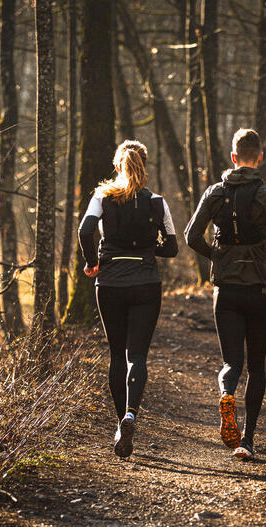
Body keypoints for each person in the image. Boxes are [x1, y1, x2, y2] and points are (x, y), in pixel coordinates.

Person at [184, 128, 266, 460]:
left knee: (231, 361)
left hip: (227, 291)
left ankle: (226, 393)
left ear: (233, 157)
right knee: (258, 366)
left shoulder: (215, 192)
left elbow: (192, 236)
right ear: (259, 157)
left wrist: (216, 256)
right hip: (260, 290)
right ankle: (247, 442)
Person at [78, 140, 178, 458]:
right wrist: (149, 250)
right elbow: (173, 247)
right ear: (144, 165)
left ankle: (121, 426)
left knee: (116, 356)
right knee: (138, 356)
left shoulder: (102, 197)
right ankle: (131, 413)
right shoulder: (157, 202)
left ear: (117, 165)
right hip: (146, 283)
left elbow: (85, 231)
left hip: (109, 284)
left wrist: (93, 262)